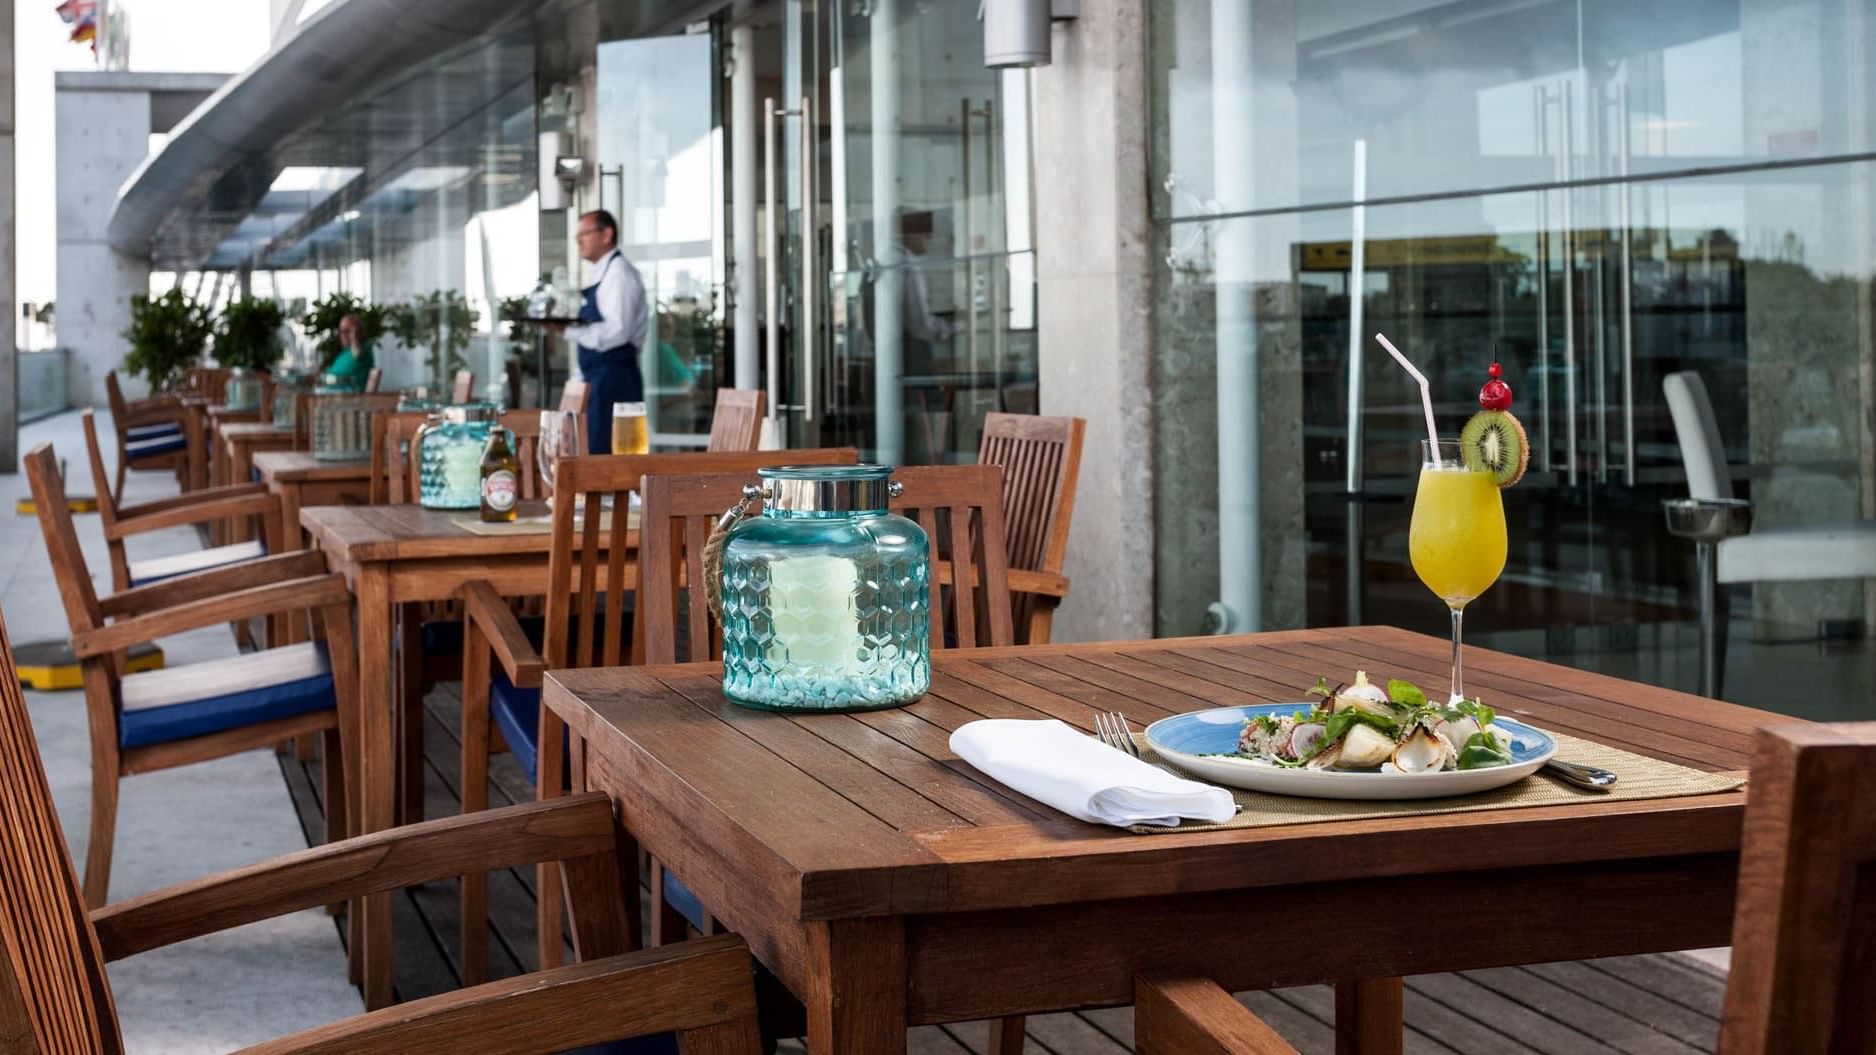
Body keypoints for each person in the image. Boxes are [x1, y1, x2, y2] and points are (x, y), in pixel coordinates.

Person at [549, 210, 648, 453]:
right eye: (577, 235)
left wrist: (568, 330)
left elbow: (618, 332)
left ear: (607, 234)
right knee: (595, 450)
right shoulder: (603, 272)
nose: (579, 241)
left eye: (585, 233)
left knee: (610, 457)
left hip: (615, 379)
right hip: (598, 378)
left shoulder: (619, 274)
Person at [325, 313, 374, 389]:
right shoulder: (345, 352)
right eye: (341, 331)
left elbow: (358, 354)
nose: (342, 334)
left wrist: (354, 338)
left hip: (350, 397)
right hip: (331, 393)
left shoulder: (363, 349)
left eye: (346, 331)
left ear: (357, 332)